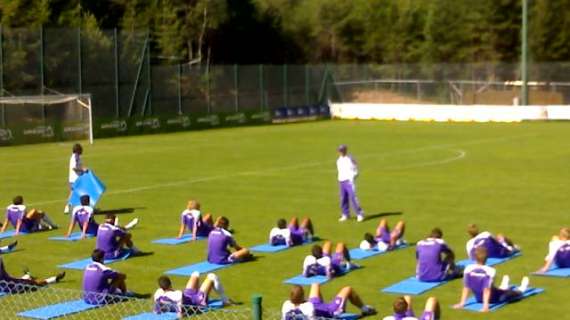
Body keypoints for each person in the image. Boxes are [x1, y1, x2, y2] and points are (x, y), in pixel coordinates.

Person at [453, 246, 529, 312]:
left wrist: (462, 303)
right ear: (487, 258)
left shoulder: (468, 268)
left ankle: (504, 285)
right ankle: (522, 288)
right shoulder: (490, 270)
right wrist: (485, 306)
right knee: (515, 293)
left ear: (475, 257)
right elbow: (487, 289)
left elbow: (466, 287)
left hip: (479, 299)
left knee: (500, 290)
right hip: (495, 299)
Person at [153, 273, 232, 316]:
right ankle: (225, 300)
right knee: (212, 276)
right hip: (197, 301)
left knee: (195, 274)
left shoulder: (158, 294)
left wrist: (158, 310)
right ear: (170, 284)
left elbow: (157, 308)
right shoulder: (177, 294)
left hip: (187, 295)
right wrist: (180, 313)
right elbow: (180, 308)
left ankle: (201, 290)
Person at [282, 284, 376, 320]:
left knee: (315, 285)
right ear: (302, 295)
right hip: (330, 311)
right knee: (347, 289)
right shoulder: (308, 307)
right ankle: (366, 309)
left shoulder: (286, 305)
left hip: (316, 306)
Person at [0, 256, 65, 293]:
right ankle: (53, 279)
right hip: (9, 287)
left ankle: (27, 275)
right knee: (36, 284)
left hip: (8, 283)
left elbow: (4, 274)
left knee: (26, 282)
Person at [336, 144, 364, 222]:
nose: (341, 152)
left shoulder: (350, 158)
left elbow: (355, 168)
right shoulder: (338, 160)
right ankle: (345, 214)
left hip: (349, 181)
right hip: (341, 181)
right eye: (340, 150)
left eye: (342, 150)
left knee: (353, 197)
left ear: (345, 150)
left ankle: (359, 214)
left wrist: (353, 177)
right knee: (343, 199)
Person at [65, 143, 88, 214]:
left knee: (81, 193)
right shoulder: (75, 157)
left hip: (77, 178)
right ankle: (68, 207)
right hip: (75, 179)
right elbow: (74, 168)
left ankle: (85, 207)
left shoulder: (77, 157)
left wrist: (83, 172)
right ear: (78, 150)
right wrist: (83, 170)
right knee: (75, 193)